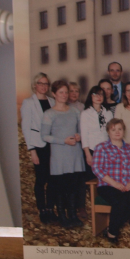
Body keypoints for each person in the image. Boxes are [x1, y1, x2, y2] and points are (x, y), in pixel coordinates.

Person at [41, 80, 85, 227]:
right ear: (54, 94)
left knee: (73, 186)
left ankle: (72, 214)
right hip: (59, 155)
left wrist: (79, 136)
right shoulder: (49, 114)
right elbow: (44, 136)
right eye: (61, 92)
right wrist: (63, 141)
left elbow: (81, 131)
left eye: (66, 92)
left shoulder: (75, 111)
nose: (65, 95)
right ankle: (62, 216)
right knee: (60, 187)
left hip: (74, 153)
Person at [91, 118, 130, 242]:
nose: (117, 132)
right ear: (108, 132)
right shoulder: (101, 147)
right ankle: (112, 233)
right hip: (108, 186)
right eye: (113, 130)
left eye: (120, 129)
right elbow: (96, 168)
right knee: (121, 201)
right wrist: (115, 184)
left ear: (124, 131)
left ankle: (110, 228)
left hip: (126, 185)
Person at [21, 73, 56, 223]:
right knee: (41, 179)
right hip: (38, 146)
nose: (43, 86)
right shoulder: (28, 103)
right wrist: (32, 151)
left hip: (53, 146)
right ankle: (42, 210)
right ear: (35, 85)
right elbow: (26, 128)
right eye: (40, 83)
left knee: (53, 179)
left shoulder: (52, 101)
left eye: (46, 83)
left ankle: (50, 208)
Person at [80, 85, 114, 168]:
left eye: (101, 95)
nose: (99, 97)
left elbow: (111, 133)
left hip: (106, 149)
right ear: (91, 96)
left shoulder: (108, 113)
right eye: (96, 94)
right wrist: (88, 154)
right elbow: (84, 136)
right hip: (92, 149)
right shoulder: (85, 114)